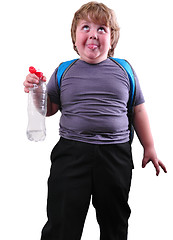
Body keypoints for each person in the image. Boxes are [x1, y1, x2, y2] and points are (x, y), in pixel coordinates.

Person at [23, 2, 167, 240]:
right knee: (62, 218)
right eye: (86, 27)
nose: (93, 34)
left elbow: (138, 110)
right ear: (74, 35)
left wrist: (149, 147)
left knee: (115, 219)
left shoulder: (125, 69)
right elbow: (48, 110)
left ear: (112, 39)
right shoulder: (63, 71)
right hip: (71, 153)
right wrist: (35, 90)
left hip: (115, 155)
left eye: (102, 29)